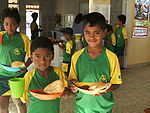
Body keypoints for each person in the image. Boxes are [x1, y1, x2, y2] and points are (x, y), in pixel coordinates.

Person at [68, 12, 122, 113]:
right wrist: (72, 85)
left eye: (96, 33)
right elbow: (72, 79)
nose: (92, 37)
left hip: (104, 108)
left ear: (104, 32)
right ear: (83, 32)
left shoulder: (111, 57)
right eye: (88, 32)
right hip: (81, 107)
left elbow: (116, 83)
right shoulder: (76, 57)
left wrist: (105, 89)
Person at [20, 37, 68, 113]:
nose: (42, 61)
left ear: (53, 56)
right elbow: (22, 98)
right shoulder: (28, 76)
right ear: (31, 57)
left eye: (47, 56)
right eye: (37, 56)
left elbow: (67, 90)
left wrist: (66, 93)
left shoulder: (59, 73)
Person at [0, 8, 32, 113]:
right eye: (6, 24)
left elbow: (31, 55)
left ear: (17, 24)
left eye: (12, 24)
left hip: (18, 76)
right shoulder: (0, 36)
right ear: (3, 24)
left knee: (19, 103)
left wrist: (25, 66)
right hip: (2, 76)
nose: (9, 27)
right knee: (2, 107)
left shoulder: (23, 38)